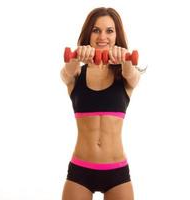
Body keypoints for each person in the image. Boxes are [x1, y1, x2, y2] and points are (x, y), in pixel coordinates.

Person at [60, 7, 141, 200]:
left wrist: (125, 60)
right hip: (80, 170)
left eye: (109, 31)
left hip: (117, 173)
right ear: (89, 34)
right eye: (96, 30)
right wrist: (77, 57)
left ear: (116, 35)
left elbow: (133, 76)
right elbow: (66, 73)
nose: (102, 36)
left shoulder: (125, 75)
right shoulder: (77, 74)